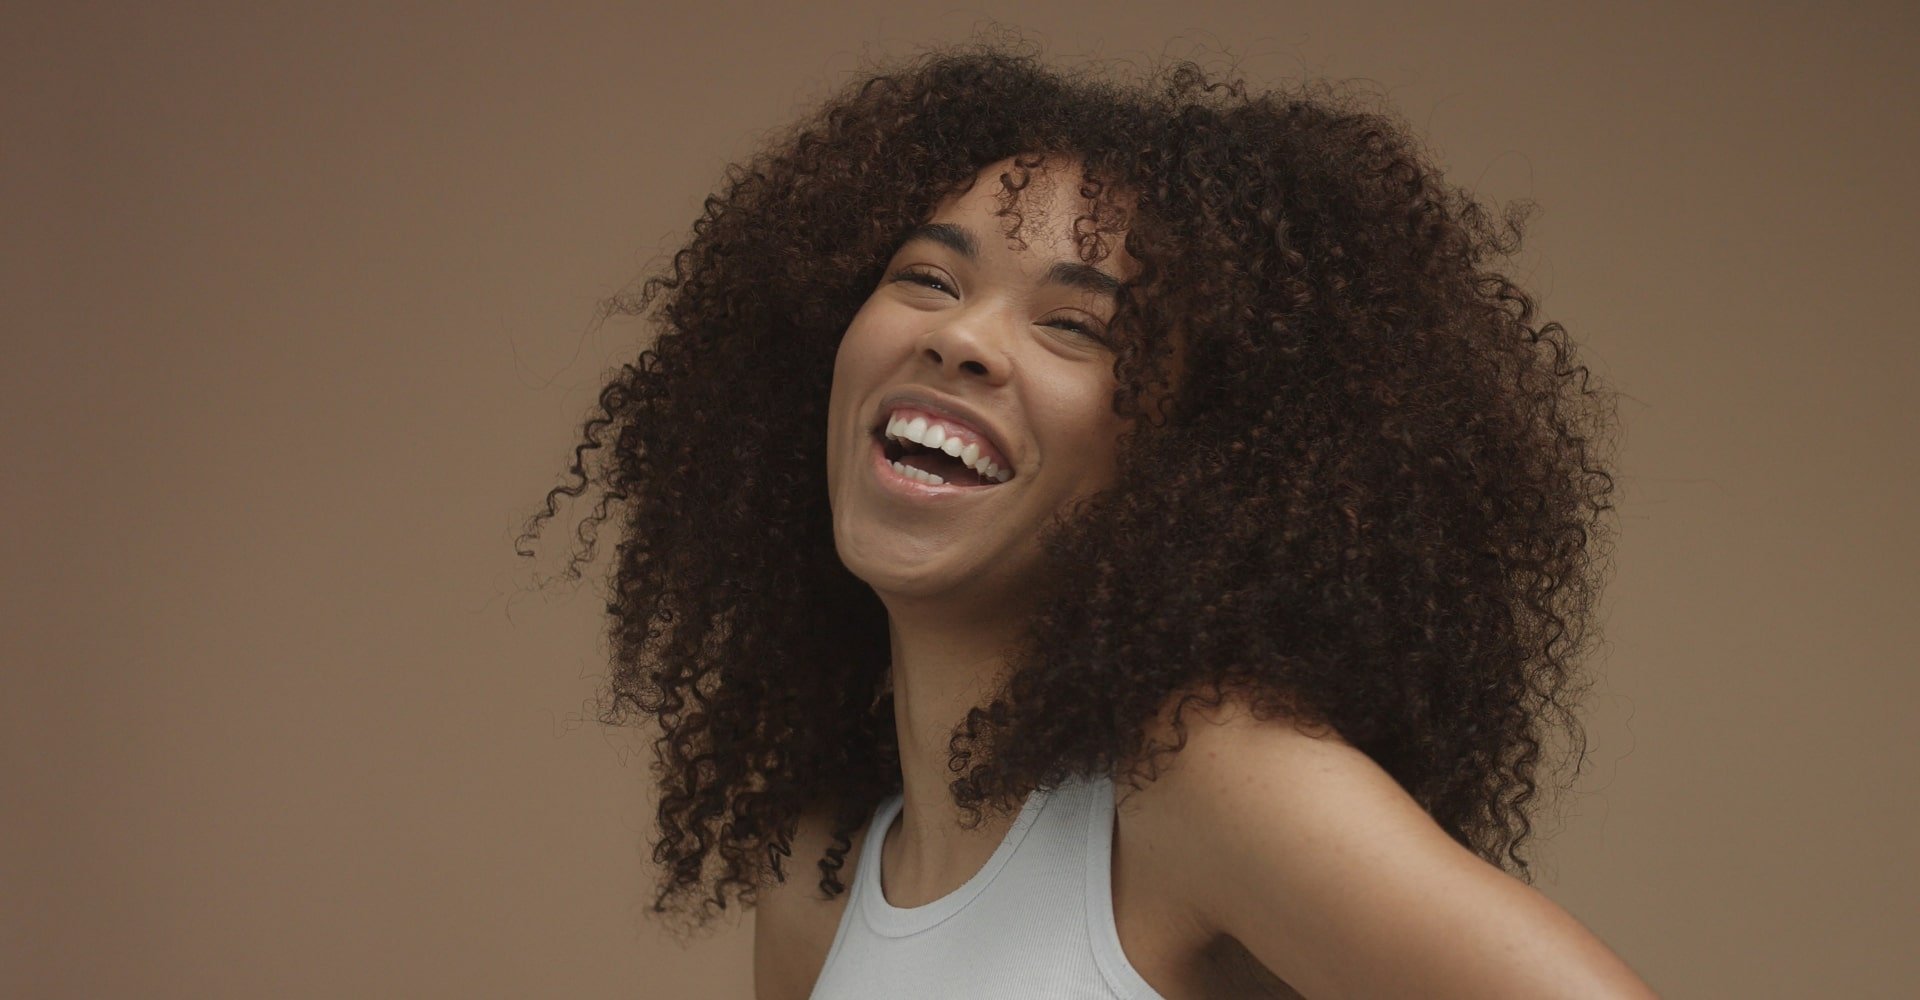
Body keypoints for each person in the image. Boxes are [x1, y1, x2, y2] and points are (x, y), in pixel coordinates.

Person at [518, 36, 1655, 1000]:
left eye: (1077, 326)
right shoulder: (820, 872)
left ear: (1196, 463)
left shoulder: (1203, 785)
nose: (963, 338)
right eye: (927, 276)